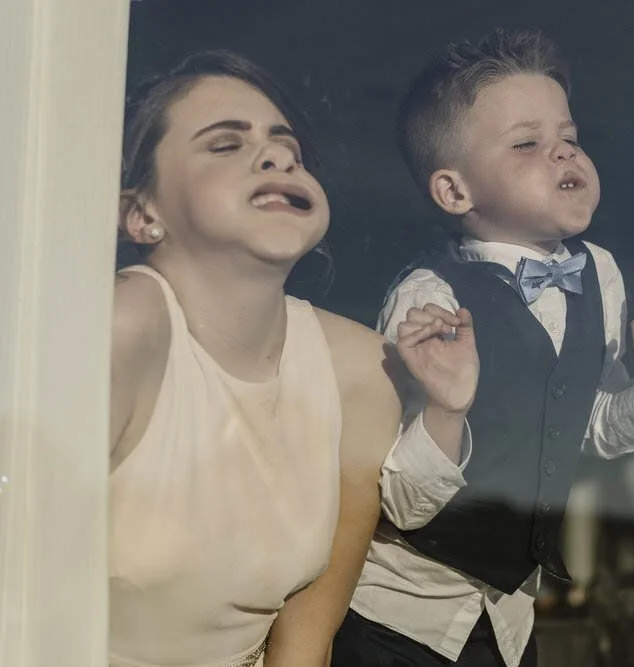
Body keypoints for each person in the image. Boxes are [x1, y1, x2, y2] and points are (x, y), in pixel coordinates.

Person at [332, 29, 634, 667]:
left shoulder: (598, 272)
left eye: (569, 139)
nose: (562, 155)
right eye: (528, 143)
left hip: (510, 618)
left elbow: (586, 428)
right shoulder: (427, 298)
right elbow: (399, 500)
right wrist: (446, 410)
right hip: (399, 614)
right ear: (455, 192)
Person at [110, 51, 478, 667]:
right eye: (224, 145)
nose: (277, 156)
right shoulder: (124, 330)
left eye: (289, 149)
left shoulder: (361, 369)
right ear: (142, 214)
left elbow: (306, 643)